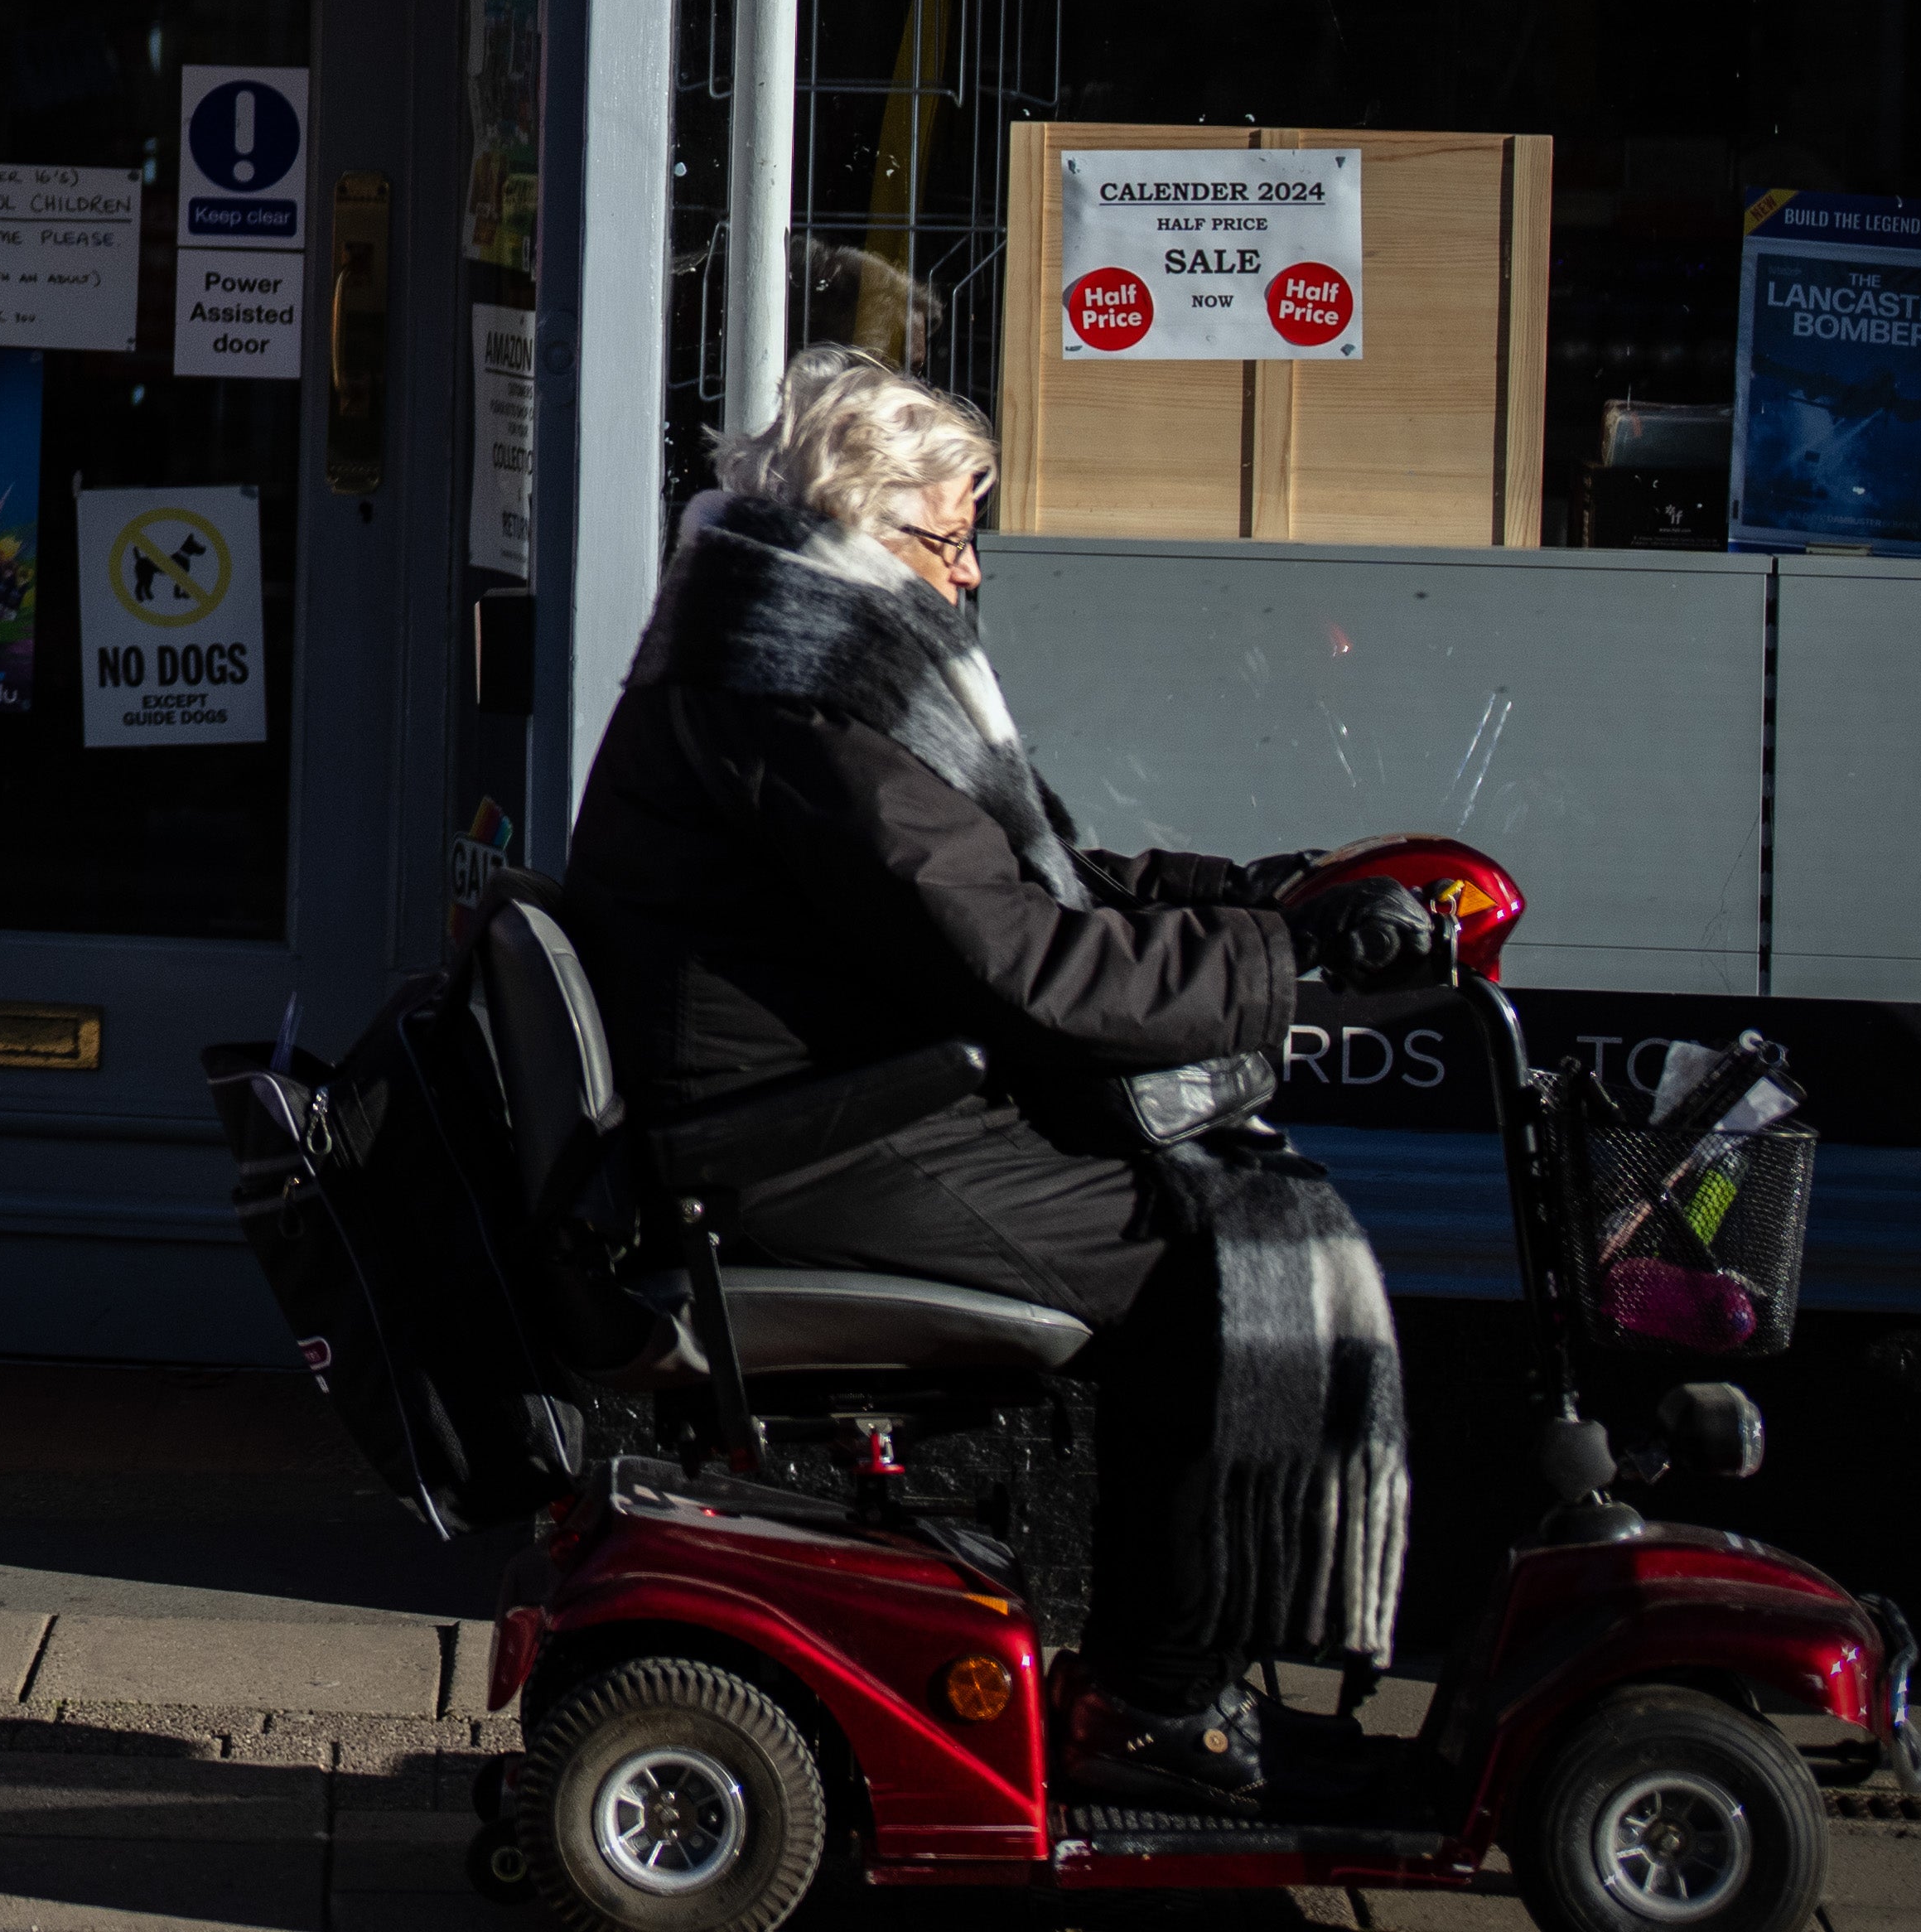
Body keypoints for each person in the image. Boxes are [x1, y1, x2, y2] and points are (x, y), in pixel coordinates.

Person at [563, 345, 1460, 1802]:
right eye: (947, 534)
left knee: (1207, 1213)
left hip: (825, 1096)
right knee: (1202, 1267)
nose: (969, 573)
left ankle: (1170, 1671)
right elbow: (1028, 968)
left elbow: (1024, 880)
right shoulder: (805, 696)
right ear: (858, 531)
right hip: (803, 1140)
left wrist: (1266, 898)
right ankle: (1157, 1705)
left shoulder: (778, 647)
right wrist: (1282, 971)